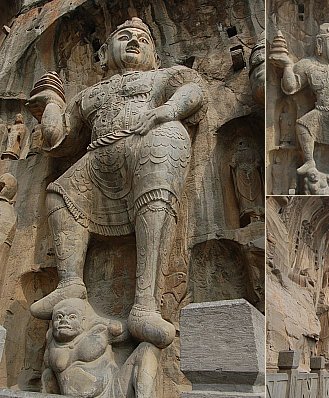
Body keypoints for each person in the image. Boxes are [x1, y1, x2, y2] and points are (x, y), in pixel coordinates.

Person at [26, 17, 206, 349]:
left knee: (165, 147)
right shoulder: (89, 95)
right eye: (124, 37)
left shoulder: (160, 76)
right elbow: (60, 139)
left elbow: (194, 89)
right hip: (99, 160)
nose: (134, 42)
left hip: (148, 142)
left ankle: (145, 305)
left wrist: (169, 109)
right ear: (105, 53)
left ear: (154, 53)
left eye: (143, 39)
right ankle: (70, 283)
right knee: (60, 195)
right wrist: (51, 102)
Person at [270, 23, 329, 186]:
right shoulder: (308, 65)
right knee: (302, 125)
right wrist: (287, 66)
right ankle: (309, 161)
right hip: (320, 111)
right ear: (320, 44)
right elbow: (290, 87)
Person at [42, 298, 160, 397]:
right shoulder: (51, 341)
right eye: (59, 317)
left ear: (83, 321)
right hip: (69, 395)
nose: (64, 320)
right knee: (47, 375)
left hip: (113, 391)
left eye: (71, 317)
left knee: (147, 349)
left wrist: (111, 325)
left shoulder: (99, 332)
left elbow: (132, 331)